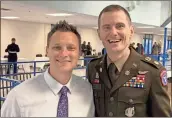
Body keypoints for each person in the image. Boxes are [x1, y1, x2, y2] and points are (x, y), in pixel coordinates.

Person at [86, 4, 171, 117]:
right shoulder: (93, 68)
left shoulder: (152, 71)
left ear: (131, 31)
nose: (113, 32)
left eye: (120, 26)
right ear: (99, 34)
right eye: (106, 27)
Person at [1, 20, 95, 117]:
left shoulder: (87, 91)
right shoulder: (19, 97)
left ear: (79, 53)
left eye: (71, 48)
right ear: (47, 51)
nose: (64, 54)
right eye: (57, 47)